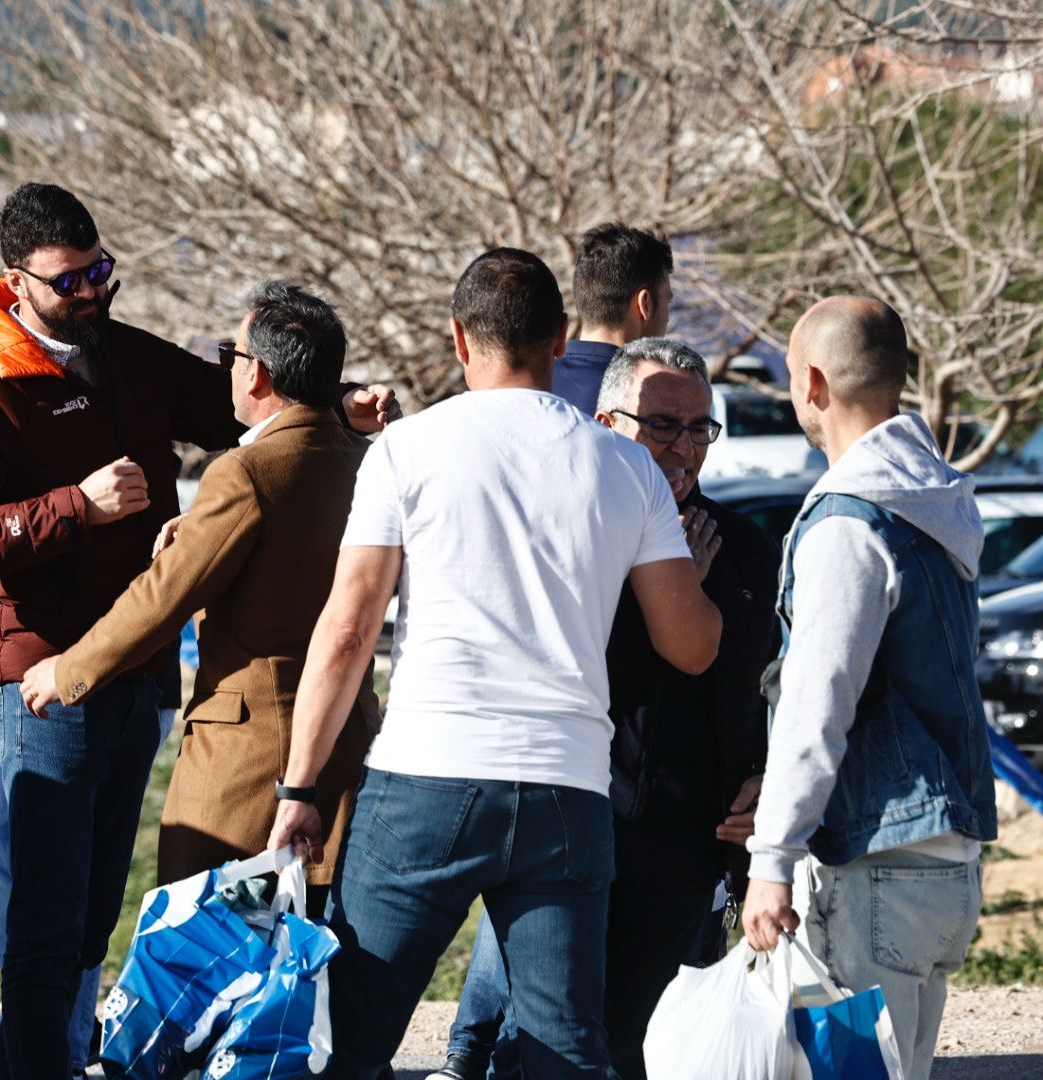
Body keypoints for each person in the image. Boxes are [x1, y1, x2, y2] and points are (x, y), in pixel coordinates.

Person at [0, 182, 398, 1079]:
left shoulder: (128, 356)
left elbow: (247, 407)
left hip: (134, 683)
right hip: (47, 676)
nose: (91, 293)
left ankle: (68, 1046)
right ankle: (35, 1061)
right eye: (69, 282)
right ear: (16, 282)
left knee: (90, 905)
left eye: (102, 271)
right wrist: (69, 510)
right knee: (43, 911)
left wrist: (335, 408)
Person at [268, 248, 721, 1078]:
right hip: (567, 788)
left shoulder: (405, 449)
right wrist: (696, 577)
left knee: (350, 1029)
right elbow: (690, 647)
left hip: (426, 776)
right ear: (558, 339)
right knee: (562, 1045)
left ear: (456, 339)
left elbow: (347, 631)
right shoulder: (627, 466)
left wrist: (299, 788)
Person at [432, 338, 780, 1080]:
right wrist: (667, 586)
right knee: (548, 1042)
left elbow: (771, 680)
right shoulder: (565, 536)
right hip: (578, 827)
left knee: (652, 1047)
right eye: (661, 426)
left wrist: (766, 777)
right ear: (606, 423)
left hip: (696, 845)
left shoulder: (744, 545)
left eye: (699, 428)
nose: (683, 448)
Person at [20, 281, 380, 917]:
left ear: (259, 374)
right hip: (345, 743)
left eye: (230, 357)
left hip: (247, 765)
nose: (226, 372)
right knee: (315, 963)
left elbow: (165, 596)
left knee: (208, 955)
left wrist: (68, 670)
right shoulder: (359, 459)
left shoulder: (246, 472)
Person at [741, 297, 997, 1080]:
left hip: (877, 863)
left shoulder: (851, 524)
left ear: (812, 383)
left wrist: (772, 856)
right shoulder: (936, 504)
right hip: (943, 863)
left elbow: (819, 704)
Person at [552, 223, 674, 416]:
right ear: (645, 304)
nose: (667, 318)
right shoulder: (649, 395)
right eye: (668, 302)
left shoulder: (535, 383)